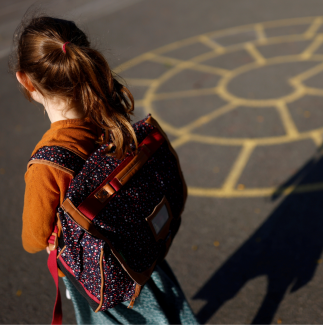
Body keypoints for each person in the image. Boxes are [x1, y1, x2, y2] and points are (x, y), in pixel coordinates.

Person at [11, 15, 198, 324]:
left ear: (26, 80)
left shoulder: (48, 164)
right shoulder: (111, 117)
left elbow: (33, 239)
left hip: (104, 275)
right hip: (141, 252)